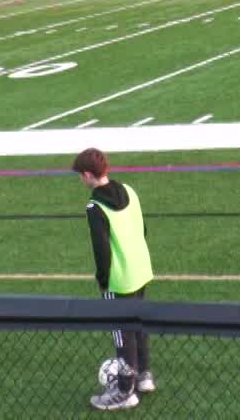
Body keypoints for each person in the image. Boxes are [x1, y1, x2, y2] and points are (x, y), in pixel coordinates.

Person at [75, 147, 156, 411]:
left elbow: (102, 249)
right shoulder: (130, 191)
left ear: (89, 175)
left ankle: (124, 391)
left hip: (118, 279)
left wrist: (102, 280)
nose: (80, 180)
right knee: (138, 325)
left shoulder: (94, 206)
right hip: (142, 269)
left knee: (122, 335)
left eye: (80, 176)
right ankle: (144, 377)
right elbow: (143, 228)